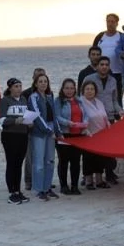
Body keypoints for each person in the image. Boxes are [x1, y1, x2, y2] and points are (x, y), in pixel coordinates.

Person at [82, 56, 124, 184]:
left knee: (109, 149)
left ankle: (109, 174)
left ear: (109, 66)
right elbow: (82, 97)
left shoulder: (112, 80)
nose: (104, 66)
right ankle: (87, 177)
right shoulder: (89, 79)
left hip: (109, 118)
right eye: (102, 64)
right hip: (92, 120)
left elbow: (114, 100)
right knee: (90, 151)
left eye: (106, 64)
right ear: (97, 65)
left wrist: (120, 110)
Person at [28, 73, 62, 201]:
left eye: (45, 81)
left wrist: (58, 131)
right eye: (40, 81)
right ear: (36, 84)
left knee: (50, 161)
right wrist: (48, 131)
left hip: (50, 130)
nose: (43, 83)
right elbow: (37, 116)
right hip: (40, 133)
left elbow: (54, 116)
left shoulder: (49, 97)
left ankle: (47, 187)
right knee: (39, 163)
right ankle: (39, 189)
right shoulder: (33, 97)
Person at [0, 78, 31, 205]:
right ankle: (11, 192)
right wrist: (14, 121)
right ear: (10, 88)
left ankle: (18, 190)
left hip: (22, 135)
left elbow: (26, 116)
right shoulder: (5, 101)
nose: (18, 89)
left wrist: (29, 122)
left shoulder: (23, 100)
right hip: (9, 135)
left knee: (18, 163)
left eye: (20, 86)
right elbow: (1, 119)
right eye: (16, 86)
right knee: (11, 163)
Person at [55, 78, 88, 195]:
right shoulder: (58, 101)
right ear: (62, 89)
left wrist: (85, 123)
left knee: (76, 161)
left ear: (75, 89)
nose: (69, 90)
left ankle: (75, 185)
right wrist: (68, 123)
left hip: (78, 135)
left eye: (71, 88)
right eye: (67, 88)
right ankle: (63, 186)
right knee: (64, 161)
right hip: (64, 135)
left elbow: (86, 115)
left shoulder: (79, 101)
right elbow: (57, 117)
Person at [79, 80, 111, 189]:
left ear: (95, 91)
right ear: (83, 91)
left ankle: (99, 180)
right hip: (88, 134)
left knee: (100, 158)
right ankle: (88, 181)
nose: (90, 91)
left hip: (101, 135)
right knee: (88, 158)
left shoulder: (99, 102)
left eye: (92, 89)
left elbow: (105, 116)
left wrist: (108, 127)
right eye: (87, 89)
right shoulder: (80, 102)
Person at [92, 13, 124, 106]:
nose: (110, 24)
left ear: (117, 23)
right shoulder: (100, 36)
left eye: (112, 21)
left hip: (118, 73)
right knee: (101, 96)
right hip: (101, 73)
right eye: (108, 21)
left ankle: (118, 118)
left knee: (117, 98)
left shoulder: (122, 36)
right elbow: (93, 53)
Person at [23, 67, 47, 191]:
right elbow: (23, 111)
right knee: (30, 157)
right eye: (38, 77)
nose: (41, 80)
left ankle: (41, 180)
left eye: (43, 77)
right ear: (33, 79)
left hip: (44, 130)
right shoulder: (26, 93)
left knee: (43, 157)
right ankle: (28, 180)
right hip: (30, 130)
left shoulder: (48, 93)